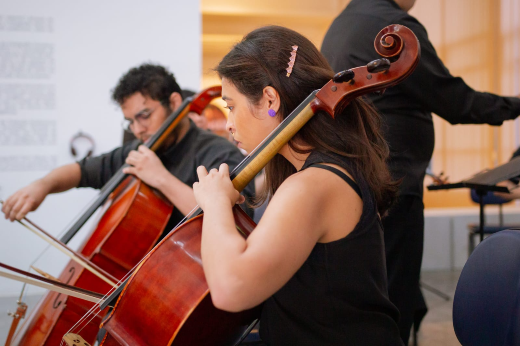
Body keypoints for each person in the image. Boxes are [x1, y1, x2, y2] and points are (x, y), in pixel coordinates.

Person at [320, 0, 520, 343]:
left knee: (380, 292)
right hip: (393, 183)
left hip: (358, 177)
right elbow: (455, 100)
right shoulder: (394, 27)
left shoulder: (342, 24)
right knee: (394, 298)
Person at [192, 25, 403, 345]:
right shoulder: (316, 173)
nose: (229, 125)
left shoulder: (312, 185)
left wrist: (216, 203)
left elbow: (230, 290)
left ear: (269, 100)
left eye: (231, 106)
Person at [2, 63, 254, 239]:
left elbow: (236, 223)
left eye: (144, 116)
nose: (137, 129)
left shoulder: (217, 152)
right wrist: (42, 185)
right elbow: (81, 171)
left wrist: (161, 179)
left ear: (175, 103)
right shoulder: (139, 150)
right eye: (130, 121)